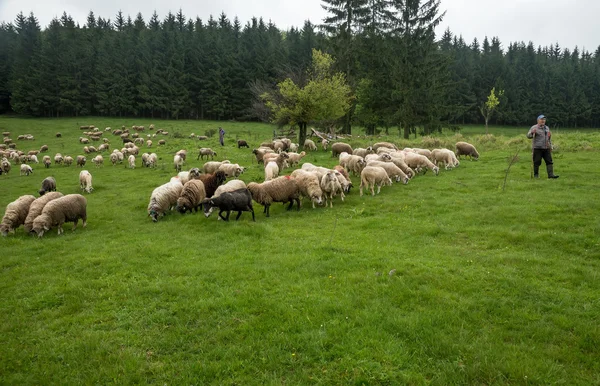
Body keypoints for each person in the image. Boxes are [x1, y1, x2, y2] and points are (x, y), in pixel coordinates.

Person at [527, 114, 559, 179]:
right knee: (537, 162)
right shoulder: (534, 127)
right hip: (537, 148)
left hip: (546, 148)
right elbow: (528, 136)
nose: (543, 121)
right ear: (538, 120)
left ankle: (551, 175)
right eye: (541, 119)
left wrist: (550, 146)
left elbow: (549, 138)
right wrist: (532, 133)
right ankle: (536, 175)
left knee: (549, 161)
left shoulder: (547, 128)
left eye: (544, 119)